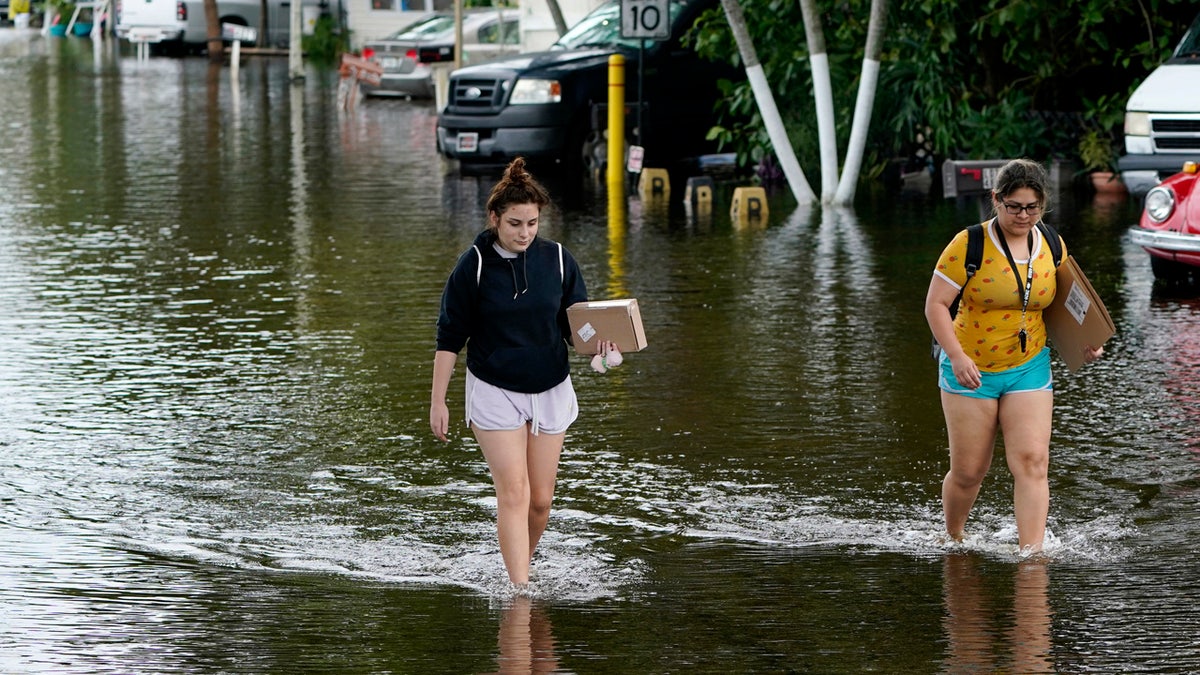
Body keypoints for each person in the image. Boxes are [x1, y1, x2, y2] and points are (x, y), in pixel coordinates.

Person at [923, 158, 1103, 555]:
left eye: (1032, 208)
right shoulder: (967, 244)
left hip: (1028, 367)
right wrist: (955, 356)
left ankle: (1031, 556)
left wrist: (1086, 341)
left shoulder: (1051, 244)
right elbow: (936, 305)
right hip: (970, 367)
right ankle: (952, 539)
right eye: (1014, 206)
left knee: (1033, 461)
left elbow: (1066, 304)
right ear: (996, 200)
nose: (1023, 216)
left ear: (1043, 205)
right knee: (970, 473)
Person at [429, 157, 592, 589]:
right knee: (515, 493)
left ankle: (517, 564)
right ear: (495, 218)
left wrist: (603, 343)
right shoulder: (474, 265)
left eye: (533, 223)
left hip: (550, 385)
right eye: (516, 223)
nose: (524, 233)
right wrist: (438, 400)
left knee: (540, 502)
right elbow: (450, 336)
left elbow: (578, 329)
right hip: (493, 387)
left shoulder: (558, 260)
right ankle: (520, 594)